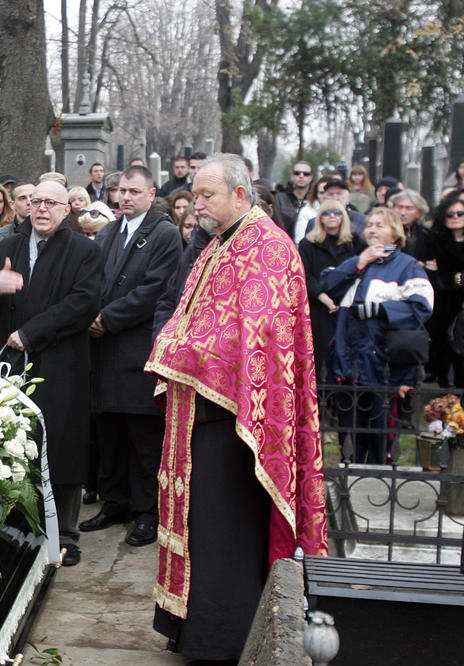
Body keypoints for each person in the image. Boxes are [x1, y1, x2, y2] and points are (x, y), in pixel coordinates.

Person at [147, 153, 327, 662]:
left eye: (207, 196)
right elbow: (188, 315)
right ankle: (191, 630)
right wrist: (175, 341)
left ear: (240, 194)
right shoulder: (218, 244)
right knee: (201, 526)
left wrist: (174, 350)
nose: (196, 205)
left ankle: (221, 639)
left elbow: (254, 337)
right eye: (195, 196)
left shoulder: (267, 246)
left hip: (236, 420)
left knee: (224, 529)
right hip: (201, 410)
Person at [0, 179, 102, 567]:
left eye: (51, 203)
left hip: (61, 364)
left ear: (66, 210)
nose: (42, 208)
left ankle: (66, 534)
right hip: (12, 366)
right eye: (36, 201)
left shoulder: (84, 251)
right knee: (12, 443)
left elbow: (83, 303)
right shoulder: (7, 247)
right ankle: (17, 529)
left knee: (62, 446)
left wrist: (31, 334)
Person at [80, 165, 181, 550]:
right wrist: (91, 314)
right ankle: (115, 502)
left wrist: (108, 318)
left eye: (134, 191)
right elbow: (92, 280)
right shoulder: (108, 232)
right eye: (121, 191)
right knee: (111, 433)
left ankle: (147, 513)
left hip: (136, 346)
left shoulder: (164, 234)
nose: (125, 197)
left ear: (151, 194)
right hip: (103, 350)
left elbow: (155, 289)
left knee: (143, 438)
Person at [321, 207, 433, 463]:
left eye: (380, 225)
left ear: (395, 233)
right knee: (350, 433)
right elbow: (328, 285)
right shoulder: (356, 262)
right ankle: (350, 474)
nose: (372, 229)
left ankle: (380, 473)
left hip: (386, 365)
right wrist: (358, 263)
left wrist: (380, 310)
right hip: (349, 362)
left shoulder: (407, 266)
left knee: (381, 433)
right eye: (369, 224)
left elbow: (422, 306)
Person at [298, 200, 366, 379]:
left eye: (337, 212)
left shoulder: (355, 243)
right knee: (318, 355)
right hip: (318, 306)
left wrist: (345, 300)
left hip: (347, 306)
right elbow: (305, 275)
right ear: (320, 218)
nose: (332, 216)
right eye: (327, 213)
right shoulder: (307, 244)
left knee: (345, 356)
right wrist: (323, 298)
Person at [425, 196, 464, 387]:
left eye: (460, 213)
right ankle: (443, 385)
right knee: (443, 342)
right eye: (450, 214)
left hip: (460, 302)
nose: (455, 217)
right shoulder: (436, 241)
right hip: (442, 301)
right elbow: (433, 271)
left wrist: (453, 275)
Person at [0, 180, 34, 274]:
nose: (29, 202)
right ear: (12, 204)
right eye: (22, 198)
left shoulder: (49, 234)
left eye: (32, 197)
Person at [274, 160, 313, 239]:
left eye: (306, 174)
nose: (301, 176)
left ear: (311, 177)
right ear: (292, 175)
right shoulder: (279, 198)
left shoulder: (315, 199)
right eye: (297, 173)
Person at [389, 189, 430, 262]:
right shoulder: (386, 231)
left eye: (409, 208)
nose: (403, 213)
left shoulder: (426, 234)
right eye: (400, 207)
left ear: (419, 213)